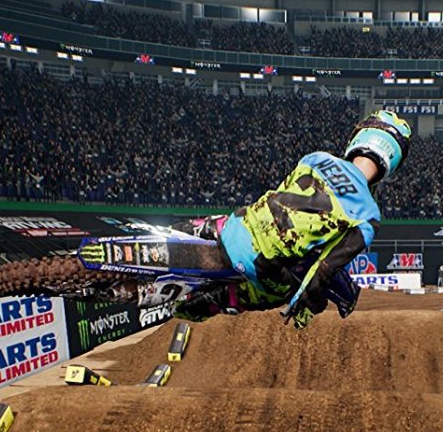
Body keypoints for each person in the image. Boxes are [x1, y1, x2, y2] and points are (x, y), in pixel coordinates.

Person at [175, 109, 411, 329]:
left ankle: (181, 231)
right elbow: (324, 270)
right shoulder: (368, 216)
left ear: (360, 137)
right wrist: (306, 303)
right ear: (392, 161)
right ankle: (193, 306)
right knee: (276, 294)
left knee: (225, 221)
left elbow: (278, 199)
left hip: (237, 224)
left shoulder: (316, 158)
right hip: (262, 264)